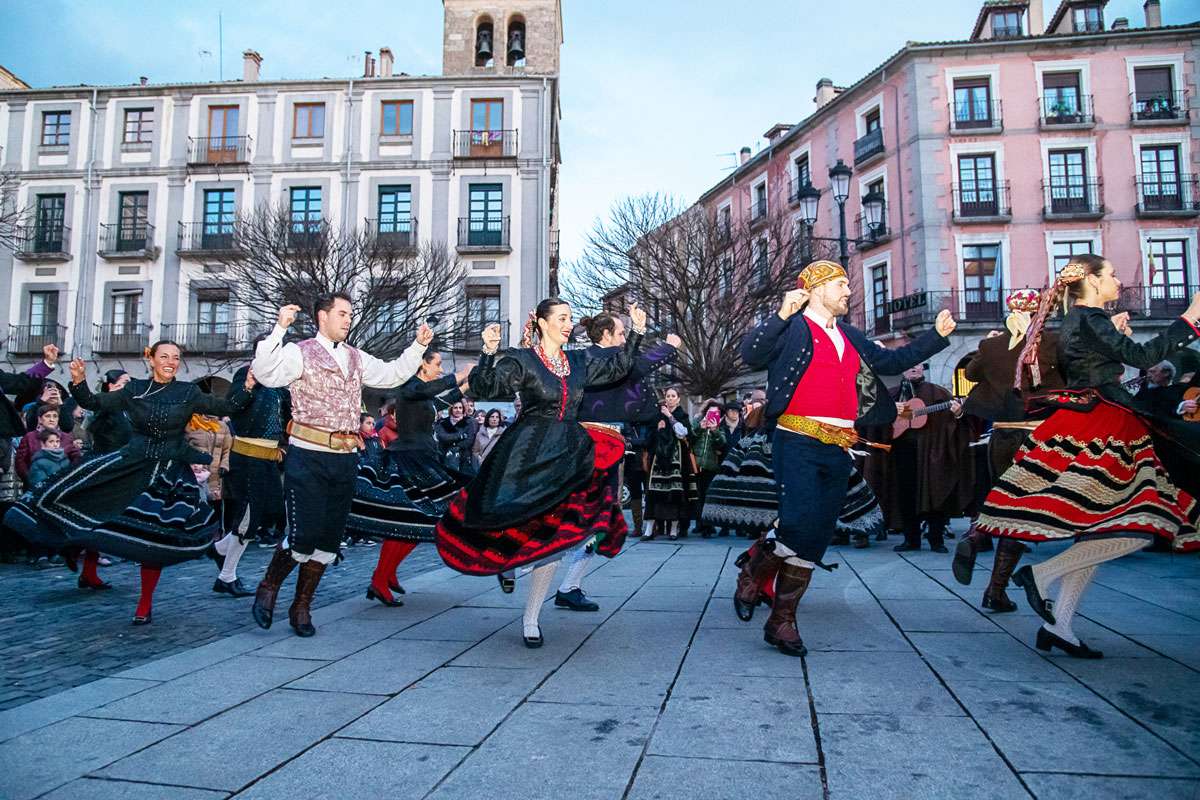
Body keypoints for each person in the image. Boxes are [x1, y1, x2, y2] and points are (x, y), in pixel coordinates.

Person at [975, 256, 1200, 658]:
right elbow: (1144, 357)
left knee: (1106, 528)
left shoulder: (1081, 321)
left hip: (1093, 417)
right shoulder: (1088, 318)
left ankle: (1060, 625)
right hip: (1106, 423)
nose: (1117, 280)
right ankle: (1041, 574)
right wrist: (1189, 321)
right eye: (1111, 274)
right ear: (1093, 282)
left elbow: (1097, 356)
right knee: (1140, 525)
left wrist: (1110, 338)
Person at [735, 260, 954, 656]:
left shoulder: (849, 334)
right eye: (839, 285)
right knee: (799, 523)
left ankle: (780, 618)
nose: (848, 292)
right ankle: (756, 573)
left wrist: (935, 337)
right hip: (797, 438)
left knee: (817, 535)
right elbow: (752, 353)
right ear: (817, 288)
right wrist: (783, 312)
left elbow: (888, 363)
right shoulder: (795, 327)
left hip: (839, 444)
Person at [436, 299, 647, 648]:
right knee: (506, 517)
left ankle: (531, 619)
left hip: (566, 455)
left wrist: (637, 332)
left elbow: (619, 368)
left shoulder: (578, 361)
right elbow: (488, 387)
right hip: (527, 451)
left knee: (551, 540)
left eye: (570, 319)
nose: (568, 324)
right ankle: (505, 562)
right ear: (543, 322)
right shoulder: (524, 360)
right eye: (562, 318)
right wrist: (489, 352)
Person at [4, 342, 254, 623]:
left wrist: (245, 386)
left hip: (169, 471)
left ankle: (144, 604)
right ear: (151, 359)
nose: (170, 362)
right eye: (164, 357)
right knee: (93, 505)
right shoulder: (134, 390)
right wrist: (77, 381)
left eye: (175, 357)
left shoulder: (188, 392)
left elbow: (226, 405)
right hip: (131, 464)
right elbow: (94, 402)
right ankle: (76, 551)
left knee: (154, 535)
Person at [248, 294, 431, 637]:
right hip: (308, 454)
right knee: (303, 534)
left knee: (328, 539)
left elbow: (391, 375)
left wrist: (417, 347)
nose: (348, 319)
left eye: (350, 314)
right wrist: (279, 330)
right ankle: (269, 585)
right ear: (322, 316)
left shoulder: (355, 356)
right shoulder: (299, 352)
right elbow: (266, 372)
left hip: (346, 457)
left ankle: (302, 606)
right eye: (342, 313)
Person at [952, 290, 1062, 612]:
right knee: (1021, 511)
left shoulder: (992, 345)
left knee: (1000, 499)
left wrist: (987, 347)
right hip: (1036, 435)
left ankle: (976, 537)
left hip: (999, 436)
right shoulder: (1051, 343)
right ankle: (996, 589)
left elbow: (971, 375)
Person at [571, 310, 680, 611]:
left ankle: (570, 584)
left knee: (601, 519)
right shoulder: (592, 359)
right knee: (585, 515)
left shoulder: (610, 360)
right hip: (593, 445)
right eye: (620, 334)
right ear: (605, 335)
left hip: (608, 444)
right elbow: (633, 368)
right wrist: (667, 347)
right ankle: (524, 560)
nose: (623, 339)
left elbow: (631, 369)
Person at [346, 349, 471, 606]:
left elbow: (437, 403)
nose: (440, 368)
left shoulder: (419, 394)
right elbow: (430, 391)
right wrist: (459, 375)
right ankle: (380, 579)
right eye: (436, 364)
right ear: (421, 366)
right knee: (411, 521)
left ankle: (385, 575)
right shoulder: (408, 386)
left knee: (416, 522)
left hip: (421, 458)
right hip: (410, 460)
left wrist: (467, 384)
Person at [860, 363, 974, 553]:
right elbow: (876, 420)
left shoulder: (939, 393)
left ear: (924, 367)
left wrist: (958, 413)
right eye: (909, 364)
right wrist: (890, 413)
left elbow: (956, 424)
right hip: (902, 452)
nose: (913, 368)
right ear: (902, 369)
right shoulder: (893, 394)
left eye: (918, 364)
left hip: (932, 452)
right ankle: (910, 539)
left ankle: (936, 540)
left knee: (935, 493)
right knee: (906, 495)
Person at [225, 361, 291, 552]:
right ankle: (227, 575)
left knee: (274, 508)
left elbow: (289, 417)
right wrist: (248, 387)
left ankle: (220, 550)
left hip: (270, 456)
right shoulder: (245, 373)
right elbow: (233, 405)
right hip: (248, 453)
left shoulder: (280, 384)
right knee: (248, 517)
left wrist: (285, 447)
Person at [643, 387, 699, 540]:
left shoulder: (682, 415)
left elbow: (683, 433)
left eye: (673, 396)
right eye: (668, 396)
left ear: (678, 399)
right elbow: (649, 438)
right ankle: (649, 530)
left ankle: (674, 530)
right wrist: (658, 429)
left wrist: (669, 417)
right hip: (659, 461)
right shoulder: (656, 416)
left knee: (675, 493)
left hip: (677, 461)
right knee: (653, 493)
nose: (670, 398)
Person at [15, 404, 82, 484]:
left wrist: (68, 478)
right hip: (35, 484)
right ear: (40, 419)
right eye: (48, 416)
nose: (51, 419)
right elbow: (20, 462)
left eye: (55, 416)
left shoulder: (66, 437)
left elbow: (76, 458)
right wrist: (30, 478)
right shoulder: (29, 437)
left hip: (61, 484)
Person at [690, 399, 726, 538]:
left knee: (708, 497)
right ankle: (700, 524)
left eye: (716, 413)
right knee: (697, 496)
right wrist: (700, 427)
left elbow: (722, 443)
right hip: (697, 465)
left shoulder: (719, 427)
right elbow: (690, 438)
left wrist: (715, 431)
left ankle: (708, 525)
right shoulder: (698, 422)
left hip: (711, 466)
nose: (713, 415)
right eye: (711, 412)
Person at [85, 370, 134, 456]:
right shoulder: (104, 407)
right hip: (109, 458)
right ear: (112, 386)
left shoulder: (128, 408)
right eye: (125, 383)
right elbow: (94, 428)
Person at [437, 400, 475, 475]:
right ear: (451, 409)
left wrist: (453, 444)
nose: (458, 410)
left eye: (460, 408)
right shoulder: (443, 422)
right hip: (445, 456)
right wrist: (461, 436)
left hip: (463, 457)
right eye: (455, 408)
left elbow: (469, 440)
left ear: (463, 409)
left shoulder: (468, 422)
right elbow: (443, 437)